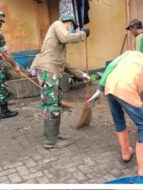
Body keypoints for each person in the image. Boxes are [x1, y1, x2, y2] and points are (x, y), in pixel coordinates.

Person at [88, 44, 143, 177]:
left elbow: (109, 67)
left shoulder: (129, 53)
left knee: (119, 121)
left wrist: (100, 88)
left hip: (110, 86)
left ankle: (126, 153)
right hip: (126, 89)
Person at [31, 15, 90, 149]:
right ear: (68, 23)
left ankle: (54, 135)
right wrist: (83, 34)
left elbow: (64, 64)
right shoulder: (58, 24)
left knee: (54, 103)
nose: (70, 30)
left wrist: (81, 75)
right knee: (51, 104)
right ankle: (50, 141)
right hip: (48, 70)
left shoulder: (58, 43)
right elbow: (67, 37)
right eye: (72, 27)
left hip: (51, 70)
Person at [126, 18, 143, 109]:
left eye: (131, 29)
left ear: (134, 28)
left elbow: (138, 54)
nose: (131, 32)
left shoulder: (139, 38)